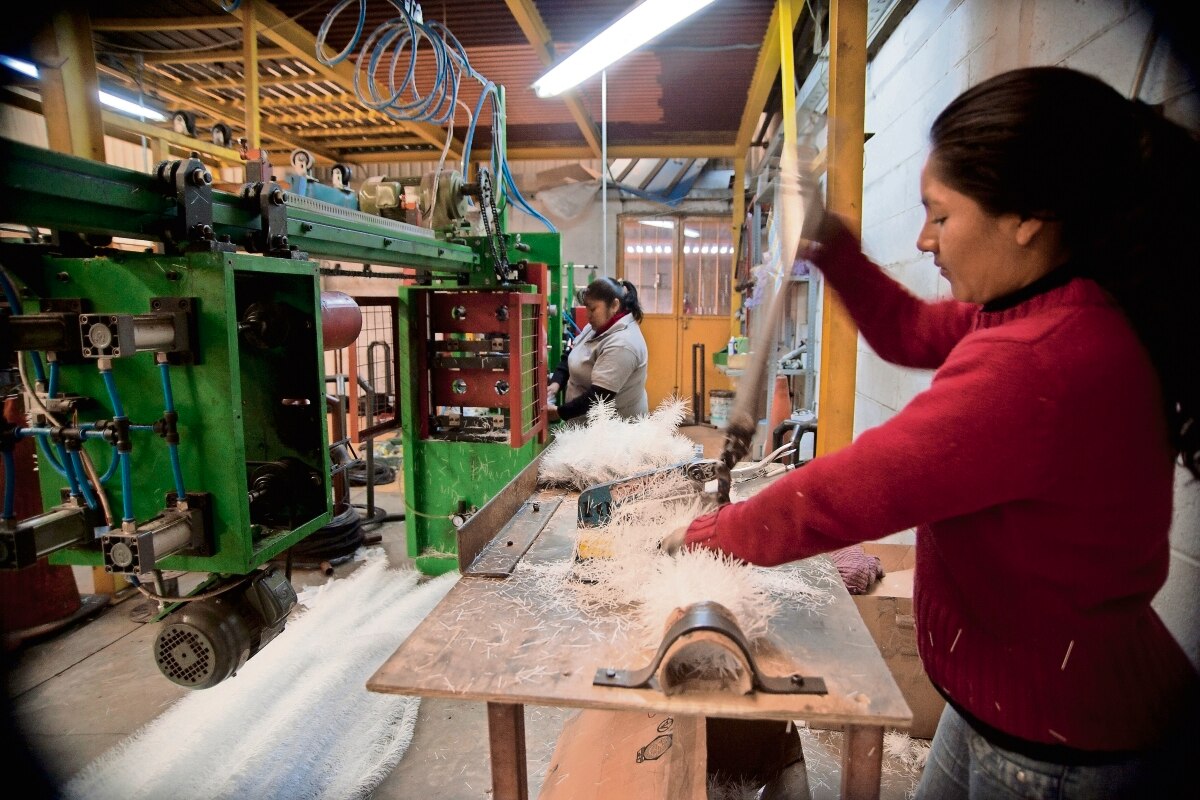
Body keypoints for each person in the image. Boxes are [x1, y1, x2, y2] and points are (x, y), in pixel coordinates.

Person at [665, 66, 1199, 797]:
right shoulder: (1037, 309)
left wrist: (703, 535)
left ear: (1027, 217)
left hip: (1062, 745)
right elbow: (913, 330)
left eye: (941, 216)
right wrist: (833, 247)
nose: (922, 239)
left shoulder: (1042, 361)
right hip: (1009, 702)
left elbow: (852, 491)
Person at [548, 276, 648, 422]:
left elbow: (599, 396)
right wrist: (556, 383)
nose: (588, 315)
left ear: (614, 305)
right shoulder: (596, 327)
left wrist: (559, 412)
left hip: (615, 432)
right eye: (586, 307)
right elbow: (572, 354)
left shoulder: (623, 344)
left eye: (593, 309)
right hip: (587, 427)